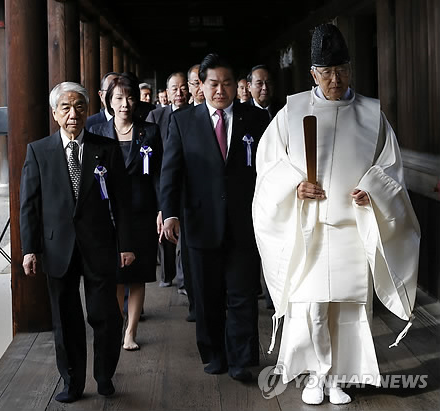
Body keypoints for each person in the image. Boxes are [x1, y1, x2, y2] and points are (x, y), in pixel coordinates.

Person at [252, 23, 420, 405]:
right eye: (326, 73)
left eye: (341, 70)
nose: (335, 79)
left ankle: (336, 379)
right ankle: (314, 375)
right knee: (311, 308)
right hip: (309, 229)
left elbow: (390, 168)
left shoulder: (372, 114)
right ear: (313, 73)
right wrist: (294, 187)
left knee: (346, 310)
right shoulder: (291, 112)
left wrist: (372, 192)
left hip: (350, 230)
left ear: (350, 68)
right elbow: (269, 167)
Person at [20, 81, 135, 403]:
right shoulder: (38, 151)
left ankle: (104, 376)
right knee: (65, 319)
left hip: (99, 245)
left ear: (89, 110)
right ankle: (71, 382)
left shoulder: (107, 148)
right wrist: (30, 249)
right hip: (58, 248)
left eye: (80, 107)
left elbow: (123, 202)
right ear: (55, 114)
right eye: (66, 108)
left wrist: (126, 244)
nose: (74, 114)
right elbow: (28, 204)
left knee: (106, 316)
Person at [161, 53, 269, 382]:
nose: (219, 90)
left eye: (226, 84)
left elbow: (269, 169)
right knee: (207, 297)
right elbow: (170, 171)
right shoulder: (184, 121)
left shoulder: (256, 119)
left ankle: (240, 357)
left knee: (242, 295)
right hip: (199, 223)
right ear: (202, 86)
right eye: (213, 84)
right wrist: (169, 213)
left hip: (244, 223)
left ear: (236, 86)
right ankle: (213, 353)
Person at [90, 75, 163, 351]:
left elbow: (157, 174)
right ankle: (119, 325)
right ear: (109, 100)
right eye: (118, 98)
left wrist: (161, 209)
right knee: (116, 274)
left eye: (130, 97)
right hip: (108, 213)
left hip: (141, 212)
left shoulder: (150, 132)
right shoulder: (97, 132)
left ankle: (131, 332)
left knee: (138, 274)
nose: (125, 104)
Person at [146, 72, 190, 289]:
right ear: (166, 91)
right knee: (163, 229)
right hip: (162, 179)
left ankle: (183, 279)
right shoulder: (156, 116)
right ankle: (166, 274)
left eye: (183, 87)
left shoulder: (194, 114)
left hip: (188, 181)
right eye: (174, 88)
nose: (179, 92)